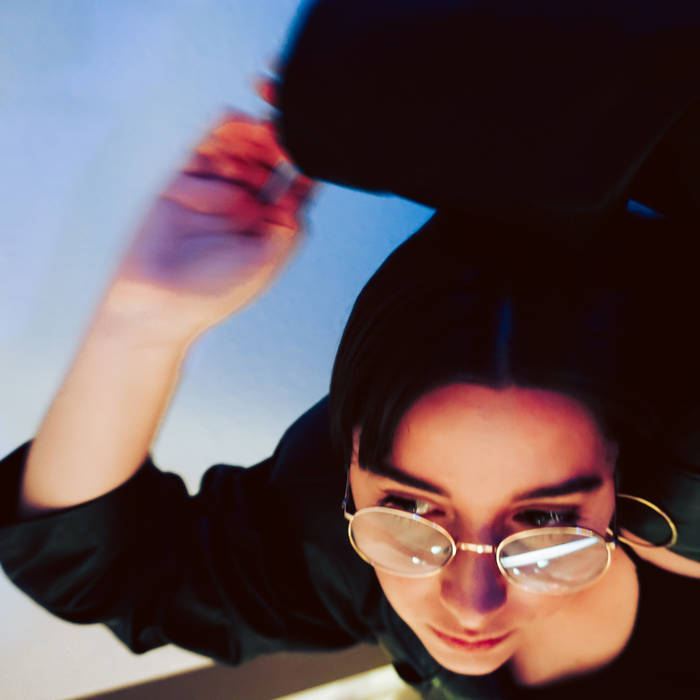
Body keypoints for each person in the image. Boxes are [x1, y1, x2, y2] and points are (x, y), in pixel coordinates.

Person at [0, 109, 699, 700]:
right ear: (350, 465)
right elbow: (94, 566)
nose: (470, 602)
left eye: (547, 520)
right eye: (410, 509)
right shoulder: (334, 540)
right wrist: (139, 323)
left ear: (627, 473)